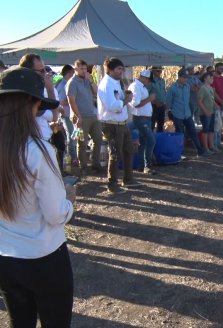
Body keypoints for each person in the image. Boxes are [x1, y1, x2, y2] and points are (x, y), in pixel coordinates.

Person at [0, 67, 76, 328]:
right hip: (44, 257)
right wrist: (70, 203)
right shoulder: (38, 150)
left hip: (6, 256)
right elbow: (55, 213)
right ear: (32, 103)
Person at [97, 57, 140, 192]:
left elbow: (118, 101)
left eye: (122, 68)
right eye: (119, 69)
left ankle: (128, 179)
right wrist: (125, 101)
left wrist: (125, 97)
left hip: (122, 122)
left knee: (128, 149)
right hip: (111, 123)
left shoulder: (116, 83)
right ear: (110, 70)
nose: (121, 71)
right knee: (115, 154)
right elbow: (112, 105)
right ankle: (112, 184)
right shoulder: (106, 84)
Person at [66, 59, 103, 175]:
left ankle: (95, 163)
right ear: (75, 69)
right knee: (82, 142)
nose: (84, 71)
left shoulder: (87, 81)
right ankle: (83, 166)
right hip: (80, 116)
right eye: (81, 68)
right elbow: (71, 101)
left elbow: (97, 93)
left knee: (98, 139)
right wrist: (78, 117)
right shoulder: (72, 82)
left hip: (92, 114)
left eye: (85, 68)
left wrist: (91, 81)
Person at [167, 68, 207, 157]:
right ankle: (179, 153)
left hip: (187, 114)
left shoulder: (187, 86)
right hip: (177, 114)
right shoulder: (173, 88)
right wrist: (170, 112)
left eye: (187, 78)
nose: (186, 79)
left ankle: (200, 151)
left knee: (193, 132)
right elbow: (169, 102)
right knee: (180, 134)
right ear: (179, 77)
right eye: (184, 78)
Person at [128, 69, 157, 175]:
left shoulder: (140, 87)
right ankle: (147, 165)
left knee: (144, 142)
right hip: (140, 118)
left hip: (144, 117)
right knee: (150, 140)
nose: (149, 83)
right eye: (149, 80)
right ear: (145, 78)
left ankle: (142, 165)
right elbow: (135, 104)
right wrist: (149, 99)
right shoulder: (135, 87)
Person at [56, 64, 78, 166]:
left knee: (74, 135)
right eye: (73, 73)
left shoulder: (68, 83)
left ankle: (73, 157)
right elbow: (60, 101)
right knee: (71, 136)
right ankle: (72, 158)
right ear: (69, 73)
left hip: (71, 114)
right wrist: (72, 100)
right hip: (66, 114)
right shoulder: (62, 84)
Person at [197, 72, 217, 154]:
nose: (212, 78)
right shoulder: (203, 88)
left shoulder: (210, 88)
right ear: (205, 78)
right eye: (210, 77)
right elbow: (199, 101)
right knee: (205, 130)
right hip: (205, 113)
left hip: (212, 112)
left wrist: (216, 105)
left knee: (211, 130)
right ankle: (206, 148)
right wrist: (205, 111)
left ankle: (211, 146)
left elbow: (212, 99)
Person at [211, 62, 223, 146]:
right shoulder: (212, 78)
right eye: (221, 68)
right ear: (216, 68)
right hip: (216, 104)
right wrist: (221, 101)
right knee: (216, 125)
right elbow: (213, 92)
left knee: (220, 124)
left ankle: (219, 143)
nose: (222, 70)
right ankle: (215, 143)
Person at [148, 66, 167, 132]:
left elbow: (164, 91)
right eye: (158, 71)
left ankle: (159, 140)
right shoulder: (150, 82)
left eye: (160, 71)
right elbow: (146, 94)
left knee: (161, 124)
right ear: (153, 71)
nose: (160, 72)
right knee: (152, 124)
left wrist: (165, 102)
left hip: (162, 106)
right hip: (154, 106)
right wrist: (155, 102)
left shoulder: (162, 81)